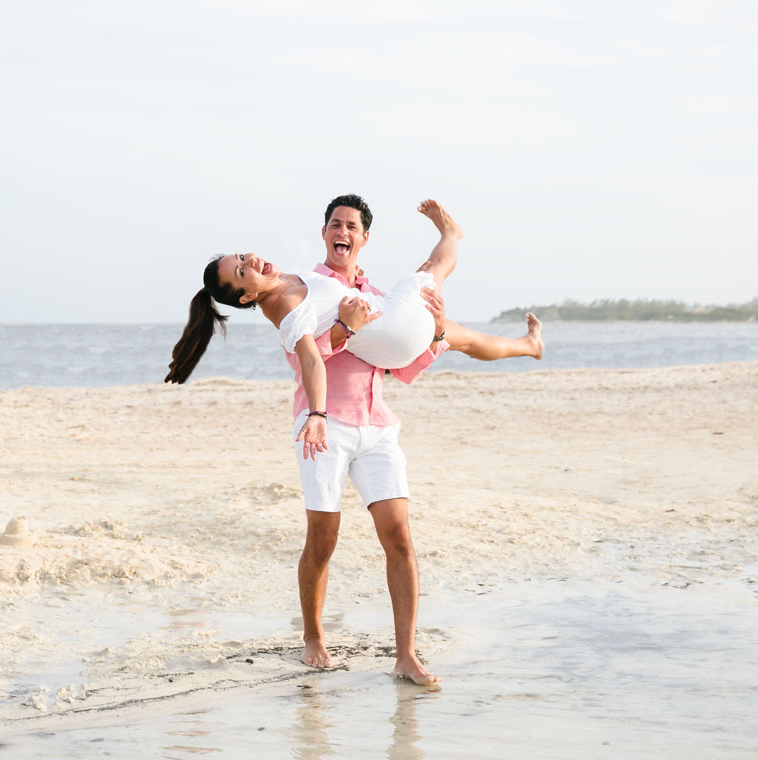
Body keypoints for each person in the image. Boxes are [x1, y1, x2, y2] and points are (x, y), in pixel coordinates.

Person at [166, 196, 542, 684]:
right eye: (241, 269)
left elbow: (383, 348)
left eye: (352, 226)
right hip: (327, 427)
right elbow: (311, 358)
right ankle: (313, 637)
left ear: (364, 238)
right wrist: (335, 364)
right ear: (324, 234)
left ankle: (405, 654)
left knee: (400, 537)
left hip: (377, 424)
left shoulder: (323, 280)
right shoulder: (290, 302)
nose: (249, 260)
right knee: (322, 540)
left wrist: (429, 326)